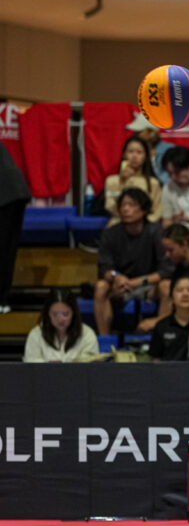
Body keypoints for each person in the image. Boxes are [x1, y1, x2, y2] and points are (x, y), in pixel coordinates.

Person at [94, 188, 173, 336]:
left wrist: (139, 281)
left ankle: (163, 337)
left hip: (149, 285)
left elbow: (166, 269)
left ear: (144, 209)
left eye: (131, 205)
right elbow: (105, 268)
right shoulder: (110, 233)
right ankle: (104, 339)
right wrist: (116, 276)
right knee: (101, 287)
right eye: (123, 205)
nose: (125, 209)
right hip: (121, 285)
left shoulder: (156, 232)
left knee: (167, 286)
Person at [23, 288, 99, 362]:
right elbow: (30, 363)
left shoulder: (87, 334)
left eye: (65, 314)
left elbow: (91, 366)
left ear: (73, 312)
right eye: (55, 314)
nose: (60, 319)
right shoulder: (36, 334)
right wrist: (49, 365)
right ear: (48, 313)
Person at [104, 136, 162, 226]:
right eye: (130, 152)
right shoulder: (112, 180)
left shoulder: (153, 182)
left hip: (145, 226)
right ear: (124, 155)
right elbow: (111, 207)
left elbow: (157, 212)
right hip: (119, 225)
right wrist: (122, 182)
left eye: (139, 152)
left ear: (145, 156)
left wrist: (142, 224)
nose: (134, 156)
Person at [0, 142, 29, 314]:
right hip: (14, 191)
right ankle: (2, 300)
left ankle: (2, 299)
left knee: (4, 248)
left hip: (6, 193)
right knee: (6, 249)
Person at [126, 113, 175, 184]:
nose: (134, 135)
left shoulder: (168, 150)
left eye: (138, 132)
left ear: (152, 133)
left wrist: (152, 160)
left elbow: (169, 180)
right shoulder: (131, 149)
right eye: (134, 132)